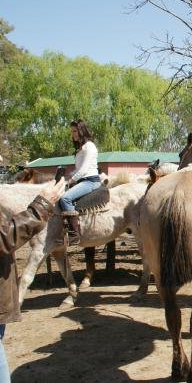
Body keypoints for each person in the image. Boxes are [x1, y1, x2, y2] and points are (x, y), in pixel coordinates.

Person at [1, 178, 66, 382]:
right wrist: (41, 206)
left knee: (71, 198)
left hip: (88, 179)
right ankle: (72, 229)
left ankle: (73, 229)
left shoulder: (88, 149)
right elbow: (3, 238)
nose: (1, 160)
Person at [58, 119, 101, 246]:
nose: (73, 134)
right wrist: (66, 178)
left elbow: (84, 169)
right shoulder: (80, 148)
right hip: (83, 180)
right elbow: (78, 170)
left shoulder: (89, 146)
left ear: (82, 131)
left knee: (65, 198)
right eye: (72, 131)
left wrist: (71, 180)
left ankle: (74, 234)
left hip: (90, 181)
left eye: (75, 131)